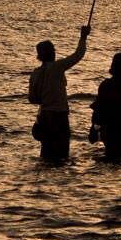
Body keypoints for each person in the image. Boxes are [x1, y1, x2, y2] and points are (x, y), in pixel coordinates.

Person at [29, 25, 90, 161]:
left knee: (46, 153)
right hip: (58, 116)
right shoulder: (57, 67)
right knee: (62, 154)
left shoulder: (35, 73)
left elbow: (32, 99)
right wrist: (83, 37)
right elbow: (77, 55)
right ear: (53, 54)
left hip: (44, 117)